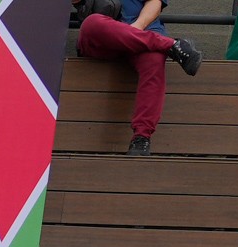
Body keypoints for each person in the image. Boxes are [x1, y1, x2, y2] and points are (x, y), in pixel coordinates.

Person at [75, 1, 202, 156]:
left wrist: (134, 29)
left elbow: (155, 2)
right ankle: (172, 46)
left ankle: (141, 138)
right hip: (105, 37)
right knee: (92, 23)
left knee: (154, 60)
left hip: (142, 34)